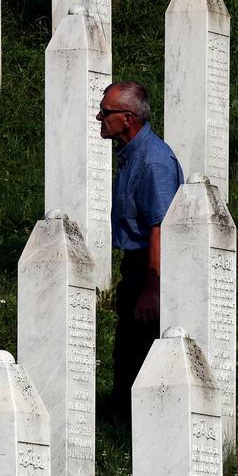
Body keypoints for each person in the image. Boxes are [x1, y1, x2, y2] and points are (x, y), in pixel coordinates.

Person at [98, 81, 185, 421]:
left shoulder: (153, 162)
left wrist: (152, 287)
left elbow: (160, 228)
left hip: (147, 270)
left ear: (128, 119)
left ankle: (137, 425)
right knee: (127, 352)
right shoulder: (133, 154)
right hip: (135, 268)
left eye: (106, 113)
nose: (98, 117)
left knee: (139, 352)